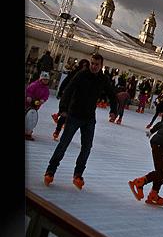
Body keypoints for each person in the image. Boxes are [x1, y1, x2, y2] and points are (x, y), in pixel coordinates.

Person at [43, 53, 117, 189]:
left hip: (89, 118)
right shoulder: (81, 75)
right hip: (74, 115)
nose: (93, 66)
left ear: (101, 66)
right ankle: (50, 171)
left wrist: (113, 111)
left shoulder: (103, 79)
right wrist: (63, 108)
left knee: (87, 147)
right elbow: (69, 90)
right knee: (63, 144)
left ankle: (78, 174)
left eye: (96, 64)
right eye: (92, 63)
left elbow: (112, 95)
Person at [52, 59, 90, 140]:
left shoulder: (87, 76)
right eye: (83, 66)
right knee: (64, 115)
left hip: (78, 100)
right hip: (69, 97)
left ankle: (65, 134)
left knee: (71, 118)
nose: (84, 68)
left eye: (86, 66)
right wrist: (60, 91)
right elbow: (65, 82)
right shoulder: (74, 73)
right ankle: (57, 130)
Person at [25, 71, 50, 140]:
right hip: (28, 103)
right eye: (44, 79)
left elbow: (46, 95)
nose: (45, 81)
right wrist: (28, 97)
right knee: (26, 115)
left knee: (32, 117)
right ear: (41, 79)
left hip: (36, 104)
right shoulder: (34, 85)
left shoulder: (46, 89)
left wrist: (43, 100)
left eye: (47, 80)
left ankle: (28, 131)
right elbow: (28, 91)